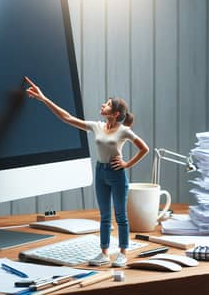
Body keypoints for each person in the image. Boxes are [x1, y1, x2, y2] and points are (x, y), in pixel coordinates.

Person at [24, 76, 149, 267]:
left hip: (116, 175)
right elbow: (68, 118)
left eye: (107, 105)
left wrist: (126, 164)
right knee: (105, 215)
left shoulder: (124, 131)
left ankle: (123, 252)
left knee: (121, 216)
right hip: (100, 172)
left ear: (115, 114)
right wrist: (44, 99)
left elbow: (144, 148)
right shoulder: (97, 126)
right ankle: (104, 252)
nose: (102, 105)